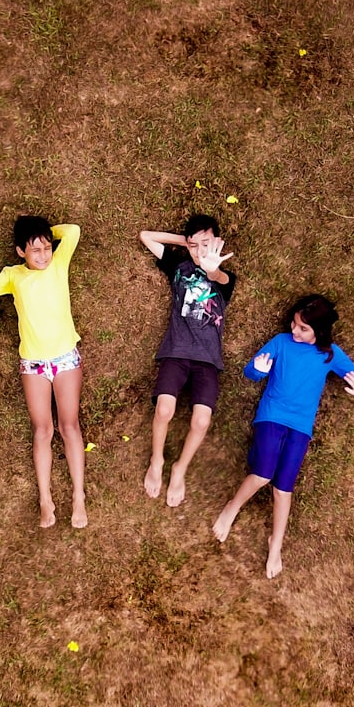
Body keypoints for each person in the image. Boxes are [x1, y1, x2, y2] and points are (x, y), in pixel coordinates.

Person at [212, 295, 354, 579]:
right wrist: (258, 370)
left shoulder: (331, 354)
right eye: (295, 323)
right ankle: (231, 508)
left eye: (302, 328)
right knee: (262, 476)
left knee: (283, 488)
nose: (294, 330)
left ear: (318, 332)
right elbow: (251, 371)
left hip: (300, 427)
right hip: (272, 416)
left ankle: (275, 544)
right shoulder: (281, 342)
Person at [0, 215, 88, 529]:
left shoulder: (59, 262)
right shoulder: (13, 275)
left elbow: (73, 231)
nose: (44, 255)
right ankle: (45, 500)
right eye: (35, 250)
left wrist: (46, 234)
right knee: (42, 431)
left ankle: (78, 497)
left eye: (47, 247)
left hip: (65, 358)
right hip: (33, 364)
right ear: (20, 251)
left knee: (70, 426)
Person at [138, 214, 237, 507]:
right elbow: (146, 236)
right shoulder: (179, 267)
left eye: (206, 243)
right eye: (194, 245)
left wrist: (211, 267)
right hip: (176, 352)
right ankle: (157, 460)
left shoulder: (225, 279)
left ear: (218, 243)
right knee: (164, 410)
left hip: (207, 360)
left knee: (202, 420)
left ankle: (180, 468)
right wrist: (187, 243)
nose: (199, 251)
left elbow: (220, 278)